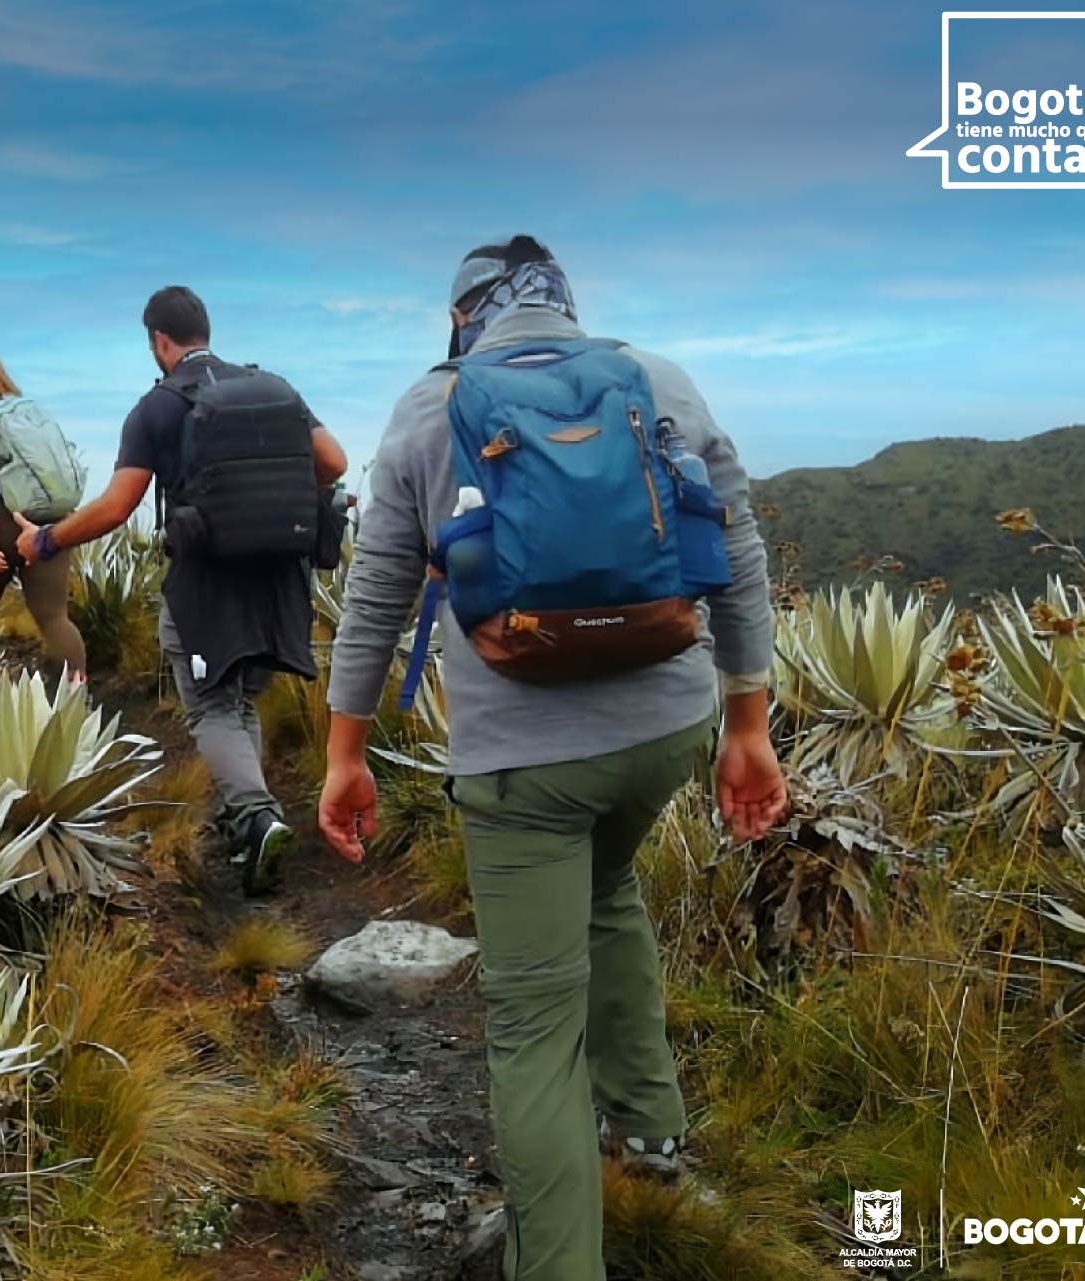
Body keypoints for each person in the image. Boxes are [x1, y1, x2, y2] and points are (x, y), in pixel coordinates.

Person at [319, 237, 786, 1281]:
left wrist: (345, 754)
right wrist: (747, 726)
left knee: (532, 1024)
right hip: (665, 731)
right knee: (609, 886)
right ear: (566, 309)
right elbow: (738, 548)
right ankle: (651, 1134)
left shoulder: (428, 406)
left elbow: (378, 596)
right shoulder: (658, 380)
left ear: (462, 321)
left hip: (521, 764)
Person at [17, 286, 348, 894]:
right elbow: (333, 460)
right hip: (282, 573)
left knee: (210, 703)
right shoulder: (272, 387)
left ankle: (255, 813)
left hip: (207, 579)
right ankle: (245, 825)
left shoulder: (159, 407)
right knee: (241, 696)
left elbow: (118, 506)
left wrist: (46, 542)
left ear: (159, 341)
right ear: (206, 332)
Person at [0, 336, 88, 680]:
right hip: (52, 521)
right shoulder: (24, 408)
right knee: (53, 617)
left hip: (7, 520)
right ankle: (74, 700)